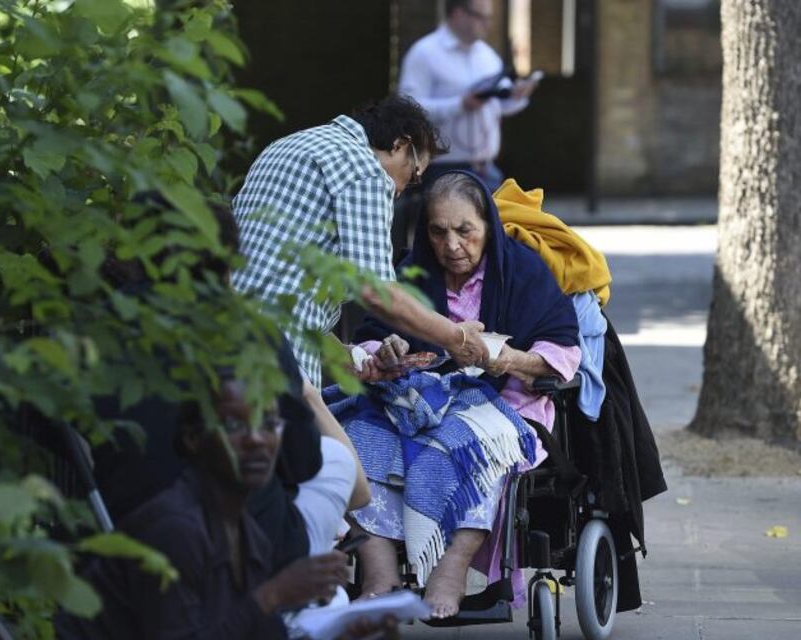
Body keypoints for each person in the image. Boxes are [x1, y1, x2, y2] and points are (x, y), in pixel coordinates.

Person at [327, 171, 580, 619]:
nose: (452, 245)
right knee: (349, 438)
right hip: (414, 404)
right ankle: (379, 570)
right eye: (438, 231)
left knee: (468, 444)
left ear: (487, 226)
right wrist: (384, 351)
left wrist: (503, 360)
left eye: (465, 230)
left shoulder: (522, 272)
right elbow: (369, 339)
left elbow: (561, 354)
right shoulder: (411, 274)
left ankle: (452, 567)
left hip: (505, 403)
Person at [93, 201, 368, 571]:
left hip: (126, 529)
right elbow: (302, 462)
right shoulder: (252, 333)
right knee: (335, 459)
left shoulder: (95, 334)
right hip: (249, 546)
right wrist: (307, 394)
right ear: (230, 259)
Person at [57, 374, 398, 639]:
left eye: (268, 424)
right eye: (234, 427)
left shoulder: (240, 523)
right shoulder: (176, 527)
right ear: (192, 439)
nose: (256, 439)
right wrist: (272, 596)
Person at [231, 95, 489, 389]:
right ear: (400, 145)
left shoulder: (287, 146)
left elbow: (281, 293)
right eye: (414, 175)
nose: (401, 191)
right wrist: (456, 337)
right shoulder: (365, 170)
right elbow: (377, 293)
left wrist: (351, 358)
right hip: (274, 363)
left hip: (224, 333)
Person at [399, 0, 539, 192]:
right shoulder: (424, 53)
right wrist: (460, 105)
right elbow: (407, 109)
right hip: (442, 170)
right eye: (480, 16)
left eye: (489, 18)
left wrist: (516, 96)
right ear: (457, 13)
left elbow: (499, 106)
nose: (487, 24)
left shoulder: (488, 56)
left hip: (487, 168)